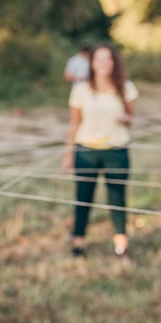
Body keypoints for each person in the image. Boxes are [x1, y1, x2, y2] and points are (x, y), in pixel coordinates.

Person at [62, 43, 139, 257]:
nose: (103, 63)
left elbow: (130, 119)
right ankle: (78, 241)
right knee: (83, 197)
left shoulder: (126, 88)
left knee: (117, 198)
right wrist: (68, 155)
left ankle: (121, 243)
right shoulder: (80, 90)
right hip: (86, 151)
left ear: (114, 62)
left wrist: (125, 119)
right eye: (99, 59)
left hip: (116, 151)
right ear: (92, 63)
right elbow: (74, 124)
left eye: (108, 59)